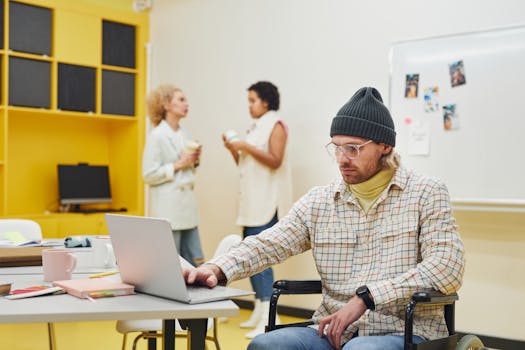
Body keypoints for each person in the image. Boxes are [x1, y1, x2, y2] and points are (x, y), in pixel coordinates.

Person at [185, 86, 465, 350]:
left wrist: (368, 298)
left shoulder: (426, 192)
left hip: (403, 329)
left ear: (385, 147)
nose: (342, 158)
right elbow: (267, 243)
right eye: (337, 147)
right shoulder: (321, 200)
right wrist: (217, 269)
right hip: (333, 330)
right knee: (265, 345)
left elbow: (446, 267)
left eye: (353, 148)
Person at [222, 81, 292, 338]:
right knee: (250, 257)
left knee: (262, 256)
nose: (249, 106)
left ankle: (269, 316)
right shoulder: (255, 128)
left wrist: (245, 146)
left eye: (252, 100)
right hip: (251, 201)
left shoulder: (276, 125)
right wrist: (235, 149)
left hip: (266, 201)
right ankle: (259, 308)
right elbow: (246, 164)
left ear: (266, 101)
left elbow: (275, 160)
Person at [142, 84, 205, 267]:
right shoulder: (157, 135)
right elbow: (148, 175)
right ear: (166, 104)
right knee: (172, 263)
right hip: (169, 208)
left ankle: (201, 295)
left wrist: (194, 160)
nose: (187, 104)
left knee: (196, 260)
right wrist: (179, 164)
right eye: (181, 99)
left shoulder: (185, 133)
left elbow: (188, 169)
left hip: (187, 208)